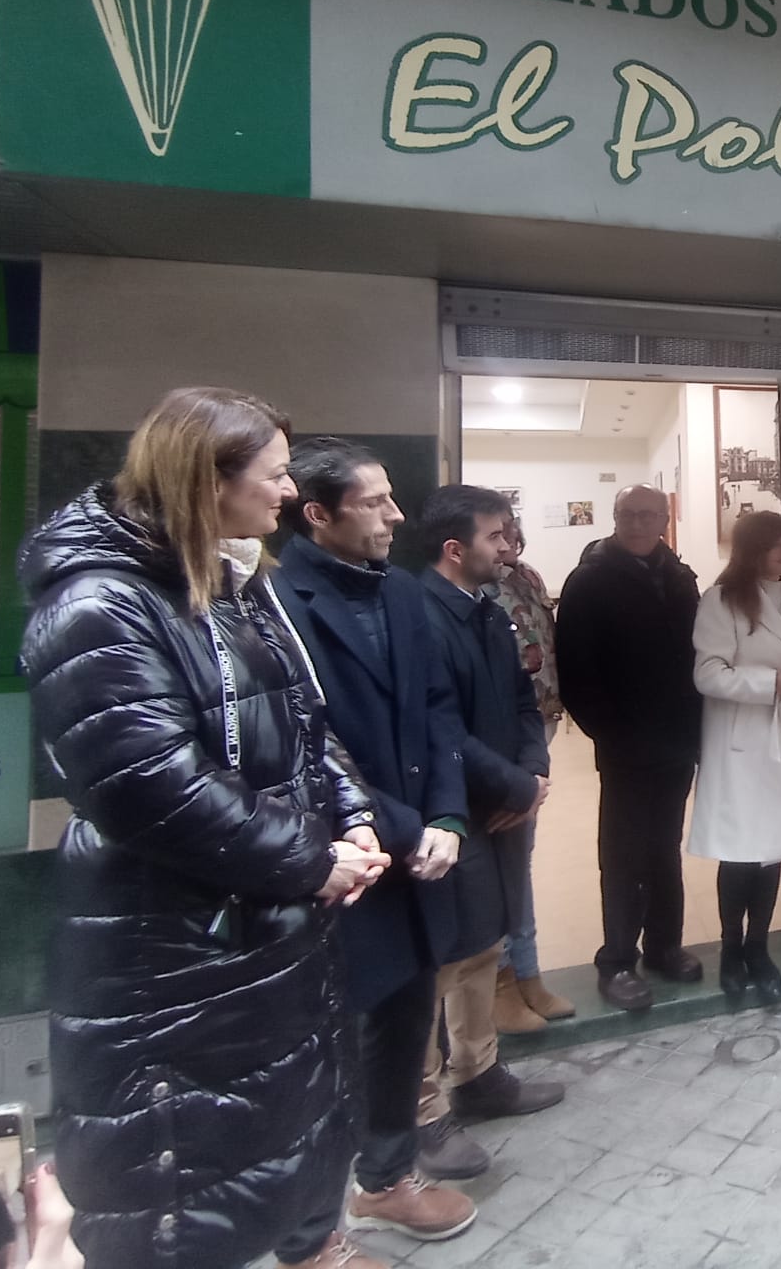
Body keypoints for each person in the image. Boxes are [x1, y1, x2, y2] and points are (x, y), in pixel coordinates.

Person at [18, 387, 391, 1269]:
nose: (287, 490)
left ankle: (315, 1249)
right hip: (171, 950)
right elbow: (147, 784)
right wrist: (310, 858)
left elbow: (305, 722)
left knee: (288, 1113)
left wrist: (355, 815)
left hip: (265, 919)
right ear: (205, 480)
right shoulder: (99, 605)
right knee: (181, 1170)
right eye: (272, 473)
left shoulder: (233, 581)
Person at [273, 438, 489, 1223]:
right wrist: (406, 828)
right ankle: (313, 1221)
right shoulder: (277, 604)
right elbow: (312, 745)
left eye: (393, 497)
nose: (397, 514)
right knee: (342, 1036)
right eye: (376, 502)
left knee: (405, 1017)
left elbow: (438, 709)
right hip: (348, 857)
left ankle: (387, 1182)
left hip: (423, 845)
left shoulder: (401, 592)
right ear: (318, 513)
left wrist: (448, 815)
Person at [417, 487, 566, 1133]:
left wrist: (532, 775)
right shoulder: (419, 616)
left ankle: (479, 1078)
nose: (509, 547)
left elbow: (524, 700)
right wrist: (513, 787)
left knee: (485, 947)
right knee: (441, 962)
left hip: (505, 798)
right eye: (495, 537)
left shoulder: (487, 609)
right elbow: (439, 729)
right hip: (453, 811)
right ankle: (421, 1107)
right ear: (456, 549)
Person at [556, 484, 706, 1013]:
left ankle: (664, 947)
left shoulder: (680, 576)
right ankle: (617, 960)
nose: (640, 522)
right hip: (624, 744)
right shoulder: (590, 579)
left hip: (676, 742)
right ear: (615, 517)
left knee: (664, 846)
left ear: (666, 517)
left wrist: (694, 729)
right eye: (629, 514)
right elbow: (575, 671)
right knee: (622, 853)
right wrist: (611, 733)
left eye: (650, 514)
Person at [690, 511, 781, 1004]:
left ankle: (759, 947)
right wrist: (773, 683)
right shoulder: (721, 601)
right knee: (740, 849)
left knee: (771, 850)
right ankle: (730, 949)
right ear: (751, 551)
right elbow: (708, 674)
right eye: (776, 546)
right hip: (740, 739)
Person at [489, 511, 575, 1032]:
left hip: (533, 731)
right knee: (501, 863)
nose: (509, 544)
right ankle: (498, 986)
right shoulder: (466, 594)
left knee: (519, 859)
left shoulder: (528, 577)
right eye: (496, 535)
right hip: (492, 741)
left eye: (512, 533)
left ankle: (526, 975)